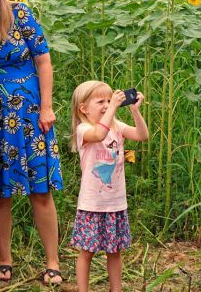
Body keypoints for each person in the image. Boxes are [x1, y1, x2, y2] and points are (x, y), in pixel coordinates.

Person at [0, 0, 63, 284]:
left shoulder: (20, 13)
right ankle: (4, 260)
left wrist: (47, 107)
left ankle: (53, 261)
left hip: (30, 115)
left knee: (40, 190)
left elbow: (44, 59)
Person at [69, 81, 149, 292]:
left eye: (108, 100)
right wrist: (113, 106)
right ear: (83, 108)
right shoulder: (84, 129)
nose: (107, 104)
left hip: (115, 203)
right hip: (92, 204)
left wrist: (134, 112)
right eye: (100, 101)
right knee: (87, 251)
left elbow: (142, 135)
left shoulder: (116, 126)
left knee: (115, 251)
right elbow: (99, 135)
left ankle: (117, 289)